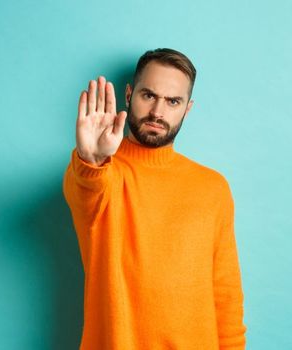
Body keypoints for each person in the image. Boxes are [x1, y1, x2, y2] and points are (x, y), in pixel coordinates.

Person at [62, 48, 247, 349]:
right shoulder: (101, 174)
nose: (158, 112)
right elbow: (85, 191)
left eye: (173, 101)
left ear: (187, 108)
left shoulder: (213, 188)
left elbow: (225, 295)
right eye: (149, 95)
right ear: (129, 94)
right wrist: (90, 159)